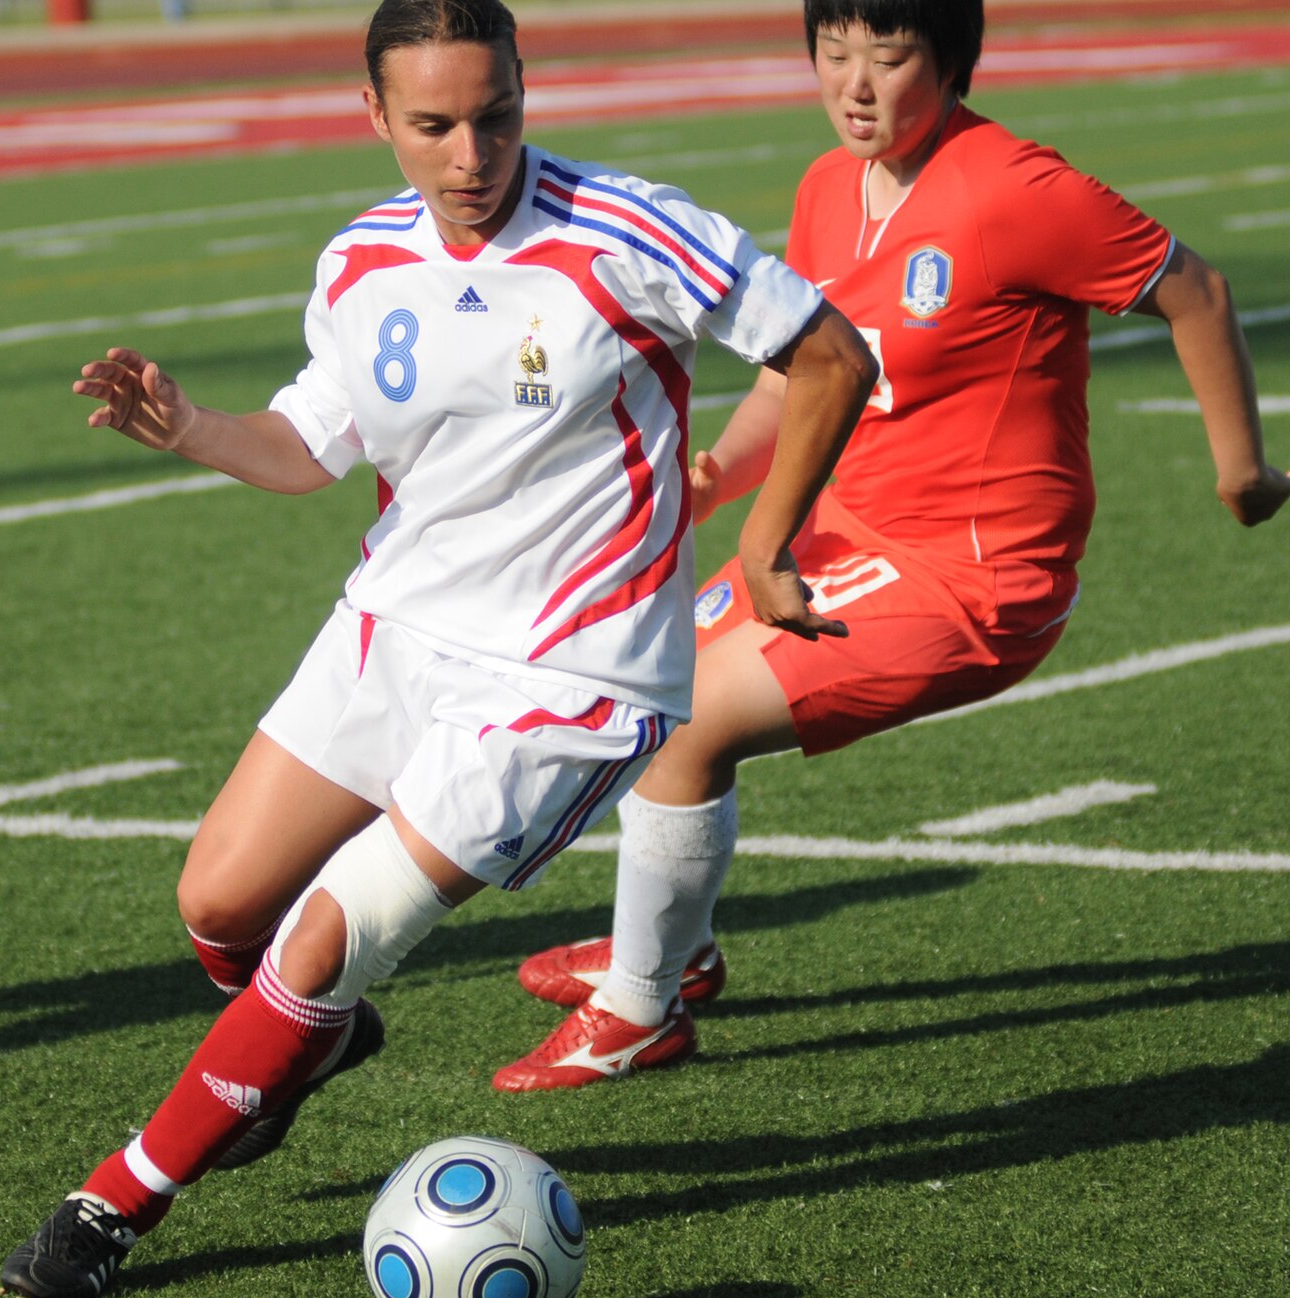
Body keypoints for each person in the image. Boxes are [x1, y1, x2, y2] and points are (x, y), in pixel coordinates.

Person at [0, 0, 876, 1298]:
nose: (473, 154)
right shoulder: (360, 260)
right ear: (373, 116)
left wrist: (762, 541)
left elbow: (831, 354)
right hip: (399, 627)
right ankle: (307, 1039)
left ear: (524, 91)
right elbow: (308, 448)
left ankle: (113, 1203)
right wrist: (193, 428)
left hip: (570, 676)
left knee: (322, 937)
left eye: (496, 115)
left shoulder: (627, 230)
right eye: (434, 125)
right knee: (219, 907)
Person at [510, 0, 1288, 1084]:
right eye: (834, 54)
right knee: (640, 684)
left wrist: (1241, 470)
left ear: (952, 60)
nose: (855, 84)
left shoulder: (1014, 189)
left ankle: (641, 1006)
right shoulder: (827, 185)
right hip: (848, 531)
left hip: (972, 577)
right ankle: (674, 947)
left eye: (889, 55)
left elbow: (1195, 289)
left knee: (685, 718)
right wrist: (718, 473)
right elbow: (801, 372)